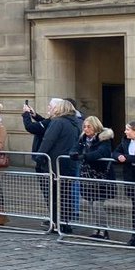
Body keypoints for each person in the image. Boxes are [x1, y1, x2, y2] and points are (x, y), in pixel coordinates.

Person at [37, 98, 81, 232]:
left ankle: (56, 222)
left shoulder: (58, 122)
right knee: (66, 195)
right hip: (69, 164)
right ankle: (65, 222)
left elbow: (48, 140)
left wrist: (39, 156)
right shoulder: (77, 123)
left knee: (54, 195)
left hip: (55, 164)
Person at [72, 116, 115, 238]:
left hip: (101, 176)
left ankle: (103, 229)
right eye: (84, 126)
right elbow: (75, 148)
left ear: (95, 127)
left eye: (88, 126)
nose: (86, 129)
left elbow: (101, 153)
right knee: (91, 203)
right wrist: (73, 154)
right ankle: (96, 228)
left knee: (97, 204)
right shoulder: (83, 138)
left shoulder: (104, 138)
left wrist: (84, 156)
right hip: (88, 175)